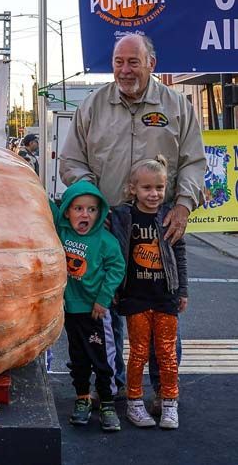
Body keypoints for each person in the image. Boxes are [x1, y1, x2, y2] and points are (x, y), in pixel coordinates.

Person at [59, 34, 204, 397]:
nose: (124, 70)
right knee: (104, 310)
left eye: (133, 62)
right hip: (107, 226)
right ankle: (113, 388)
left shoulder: (176, 106)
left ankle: (162, 392)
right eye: (118, 61)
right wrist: (93, 204)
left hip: (159, 226)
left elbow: (194, 162)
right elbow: (72, 161)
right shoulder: (93, 106)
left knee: (158, 313)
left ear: (151, 64)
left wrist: (184, 205)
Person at [110, 156, 187, 430]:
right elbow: (114, 250)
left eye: (159, 187)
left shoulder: (168, 216)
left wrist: (183, 290)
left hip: (165, 297)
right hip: (136, 297)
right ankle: (134, 403)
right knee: (139, 353)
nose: (153, 194)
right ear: (133, 188)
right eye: (146, 188)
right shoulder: (122, 216)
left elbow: (179, 254)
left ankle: (169, 403)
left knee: (166, 352)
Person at [48, 181, 126, 432]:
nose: (85, 214)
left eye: (91, 210)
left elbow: (117, 269)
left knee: (102, 360)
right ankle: (82, 398)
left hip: (96, 312)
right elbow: (47, 206)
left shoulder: (106, 241)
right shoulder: (62, 233)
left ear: (99, 213)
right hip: (72, 310)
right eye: (78, 208)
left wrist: (103, 300)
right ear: (67, 212)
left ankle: (106, 402)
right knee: (78, 358)